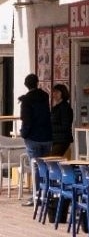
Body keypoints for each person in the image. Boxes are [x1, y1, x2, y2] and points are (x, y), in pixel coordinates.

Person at [18, 74, 51, 206]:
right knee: (46, 166)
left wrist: (23, 134)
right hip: (47, 136)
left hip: (33, 138)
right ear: (37, 83)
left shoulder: (26, 100)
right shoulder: (45, 96)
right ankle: (46, 194)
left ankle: (37, 196)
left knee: (36, 167)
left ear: (26, 85)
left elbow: (26, 120)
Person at [49, 84, 73, 157]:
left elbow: (65, 126)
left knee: (52, 159)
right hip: (55, 139)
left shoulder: (65, 107)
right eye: (53, 92)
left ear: (63, 93)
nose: (54, 94)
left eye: (57, 92)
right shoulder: (55, 107)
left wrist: (50, 128)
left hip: (62, 140)